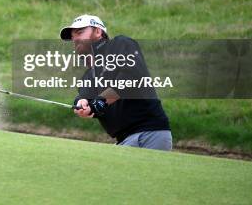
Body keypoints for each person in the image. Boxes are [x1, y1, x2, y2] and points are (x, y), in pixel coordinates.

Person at [59, 14, 172, 150]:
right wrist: (81, 103)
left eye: (80, 32)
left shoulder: (120, 44)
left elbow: (130, 78)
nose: (75, 39)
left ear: (98, 31)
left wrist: (100, 102)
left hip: (149, 133)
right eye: (73, 36)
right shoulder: (89, 75)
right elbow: (86, 97)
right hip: (124, 140)